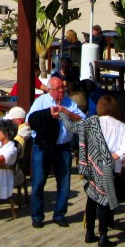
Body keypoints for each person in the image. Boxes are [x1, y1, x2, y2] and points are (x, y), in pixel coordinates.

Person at [67, 95, 125, 247]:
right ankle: (103, 236)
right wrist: (115, 155)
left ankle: (90, 233)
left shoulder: (92, 123)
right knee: (104, 202)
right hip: (109, 168)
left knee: (92, 199)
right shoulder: (120, 126)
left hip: (92, 166)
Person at [27, 77, 84, 228]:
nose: (61, 91)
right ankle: (37, 216)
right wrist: (48, 114)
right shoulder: (42, 101)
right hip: (43, 145)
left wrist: (66, 112)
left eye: (62, 88)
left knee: (64, 182)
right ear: (50, 90)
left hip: (62, 147)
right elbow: (29, 120)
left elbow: (82, 119)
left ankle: (59, 215)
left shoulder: (69, 103)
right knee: (38, 182)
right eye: (58, 89)